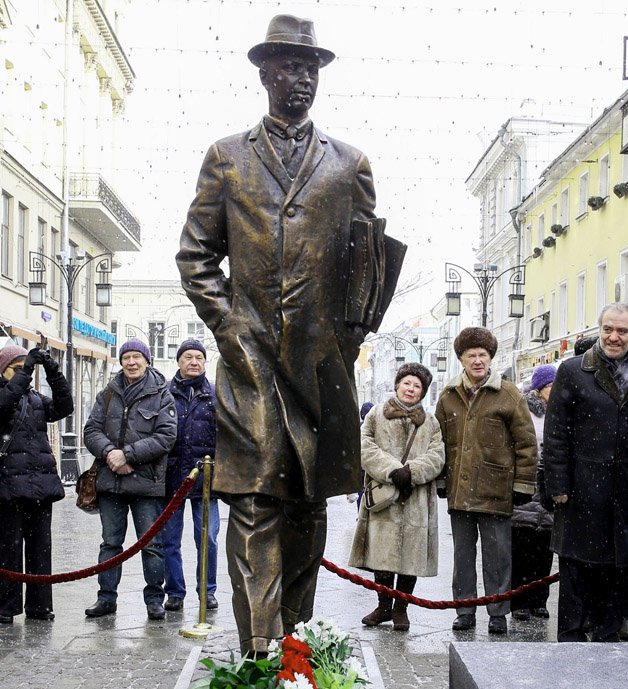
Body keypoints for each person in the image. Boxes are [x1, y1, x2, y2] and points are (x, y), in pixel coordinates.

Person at [175, 14, 388, 655]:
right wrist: (228, 323)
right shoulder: (228, 157)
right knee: (255, 500)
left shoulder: (350, 163)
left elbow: (367, 264)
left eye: (310, 68)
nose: (301, 79)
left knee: (308, 505)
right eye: (289, 67)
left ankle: (295, 642)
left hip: (322, 366)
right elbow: (196, 255)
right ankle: (260, 648)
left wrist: (347, 339)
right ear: (265, 73)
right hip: (251, 360)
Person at [543, 303, 628, 642]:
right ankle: (571, 638)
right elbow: (556, 434)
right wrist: (558, 484)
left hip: (625, 490)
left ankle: (609, 639)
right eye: (608, 329)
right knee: (576, 569)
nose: (614, 337)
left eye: (622, 331)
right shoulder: (573, 370)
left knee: (617, 569)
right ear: (600, 329)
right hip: (582, 487)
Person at [435, 327, 537, 635]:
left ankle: (497, 612)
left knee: (498, 556)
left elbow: (527, 443)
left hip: (496, 490)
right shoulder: (448, 396)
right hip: (460, 490)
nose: (477, 361)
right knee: (462, 557)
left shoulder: (508, 394)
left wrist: (522, 485)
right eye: (471, 355)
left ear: (490, 358)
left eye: (483, 355)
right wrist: (441, 481)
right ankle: (464, 610)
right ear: (461, 359)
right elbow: (438, 442)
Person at [83, 339, 177, 620]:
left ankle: (154, 599)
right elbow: (91, 430)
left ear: (147, 361)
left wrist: (129, 456)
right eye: (127, 357)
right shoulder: (108, 393)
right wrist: (111, 453)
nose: (132, 362)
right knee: (110, 544)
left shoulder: (162, 394)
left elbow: (166, 436)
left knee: (152, 545)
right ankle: (106, 598)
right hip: (111, 484)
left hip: (146, 486)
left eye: (137, 357)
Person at [349, 363, 444, 632]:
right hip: (385, 496)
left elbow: (437, 456)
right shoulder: (377, 415)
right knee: (382, 554)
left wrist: (412, 472)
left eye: (417, 386)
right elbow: (364, 445)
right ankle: (383, 606)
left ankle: (401, 609)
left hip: (416, 497)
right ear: (397, 385)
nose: (411, 389)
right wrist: (392, 471)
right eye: (407, 383)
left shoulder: (431, 422)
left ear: (423, 391)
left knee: (410, 556)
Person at [0, 344, 72, 623]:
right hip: (9, 485)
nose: (23, 373)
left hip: (40, 485)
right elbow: (1, 407)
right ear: (3, 370)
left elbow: (63, 406)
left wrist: (53, 371)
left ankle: (39, 605)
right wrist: (28, 369)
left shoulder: (36, 398)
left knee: (40, 551)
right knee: (9, 551)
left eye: (26, 366)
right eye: (16, 367)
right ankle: (7, 608)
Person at [160, 339, 220, 613]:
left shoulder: (216, 395)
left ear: (205, 362)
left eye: (199, 357)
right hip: (171, 479)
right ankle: (174, 592)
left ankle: (207, 591)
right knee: (169, 541)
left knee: (207, 538)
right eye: (188, 357)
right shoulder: (164, 394)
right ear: (179, 362)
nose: (194, 362)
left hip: (207, 480)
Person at [510, 364, 556, 621]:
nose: (555, 390)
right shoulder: (524, 410)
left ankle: (540, 599)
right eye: (551, 385)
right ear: (539, 389)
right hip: (526, 482)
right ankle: (519, 601)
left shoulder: (560, 410)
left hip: (549, 485)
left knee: (544, 549)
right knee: (521, 546)